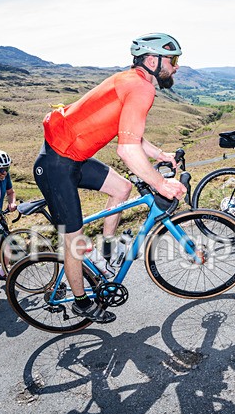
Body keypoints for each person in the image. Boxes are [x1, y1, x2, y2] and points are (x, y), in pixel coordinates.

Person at [33, 33, 187, 324]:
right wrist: (161, 183)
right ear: (152, 61)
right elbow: (127, 150)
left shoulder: (131, 81)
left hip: (72, 158)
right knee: (74, 240)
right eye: (173, 60)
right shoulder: (141, 88)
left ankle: (104, 255)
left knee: (123, 187)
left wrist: (161, 155)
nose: (176, 67)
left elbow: (131, 135)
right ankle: (80, 301)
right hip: (56, 165)